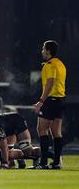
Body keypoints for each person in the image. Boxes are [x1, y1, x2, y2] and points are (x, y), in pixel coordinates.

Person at [33, 40, 66, 169]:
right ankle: (56, 162)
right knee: (56, 132)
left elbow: (50, 83)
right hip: (60, 100)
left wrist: (41, 101)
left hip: (51, 100)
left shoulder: (49, 65)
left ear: (48, 51)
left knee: (41, 129)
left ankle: (43, 163)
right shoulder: (60, 64)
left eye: (43, 49)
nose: (42, 51)